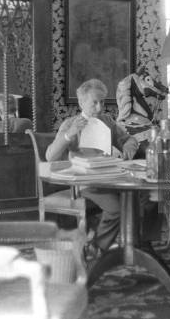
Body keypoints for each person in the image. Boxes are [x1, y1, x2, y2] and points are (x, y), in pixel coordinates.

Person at [46, 79, 139, 251]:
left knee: (143, 197)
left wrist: (128, 148)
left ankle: (139, 245)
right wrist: (69, 135)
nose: (99, 107)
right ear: (81, 102)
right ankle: (99, 247)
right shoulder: (70, 124)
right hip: (85, 184)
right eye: (94, 102)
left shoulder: (107, 121)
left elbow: (129, 139)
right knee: (117, 208)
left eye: (102, 102)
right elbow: (50, 156)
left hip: (110, 178)